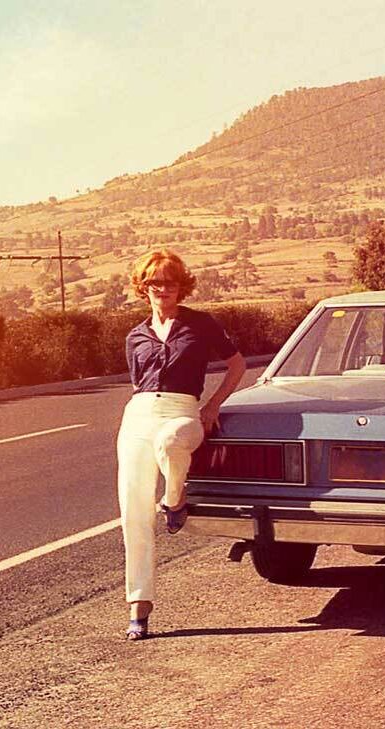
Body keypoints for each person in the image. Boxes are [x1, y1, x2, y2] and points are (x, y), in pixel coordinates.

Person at [117, 249, 246, 640]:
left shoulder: (201, 324)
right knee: (133, 512)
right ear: (144, 287)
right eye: (154, 282)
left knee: (172, 442)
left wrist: (213, 405)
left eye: (170, 282)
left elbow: (236, 365)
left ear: (180, 286)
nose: (162, 289)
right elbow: (137, 384)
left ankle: (175, 501)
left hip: (183, 410)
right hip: (139, 414)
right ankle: (139, 607)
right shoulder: (135, 336)